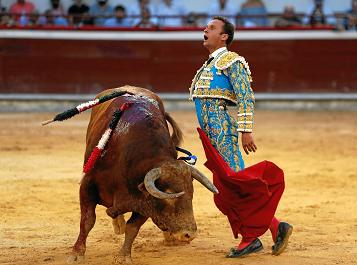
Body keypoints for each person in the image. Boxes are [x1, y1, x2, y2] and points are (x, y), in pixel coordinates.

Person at [189, 16, 292, 258]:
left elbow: (246, 97)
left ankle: (251, 238)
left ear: (224, 37)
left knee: (235, 185)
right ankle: (277, 227)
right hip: (211, 134)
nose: (205, 29)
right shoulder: (210, 63)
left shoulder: (231, 60)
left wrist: (245, 131)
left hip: (222, 130)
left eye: (212, 28)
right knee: (227, 188)